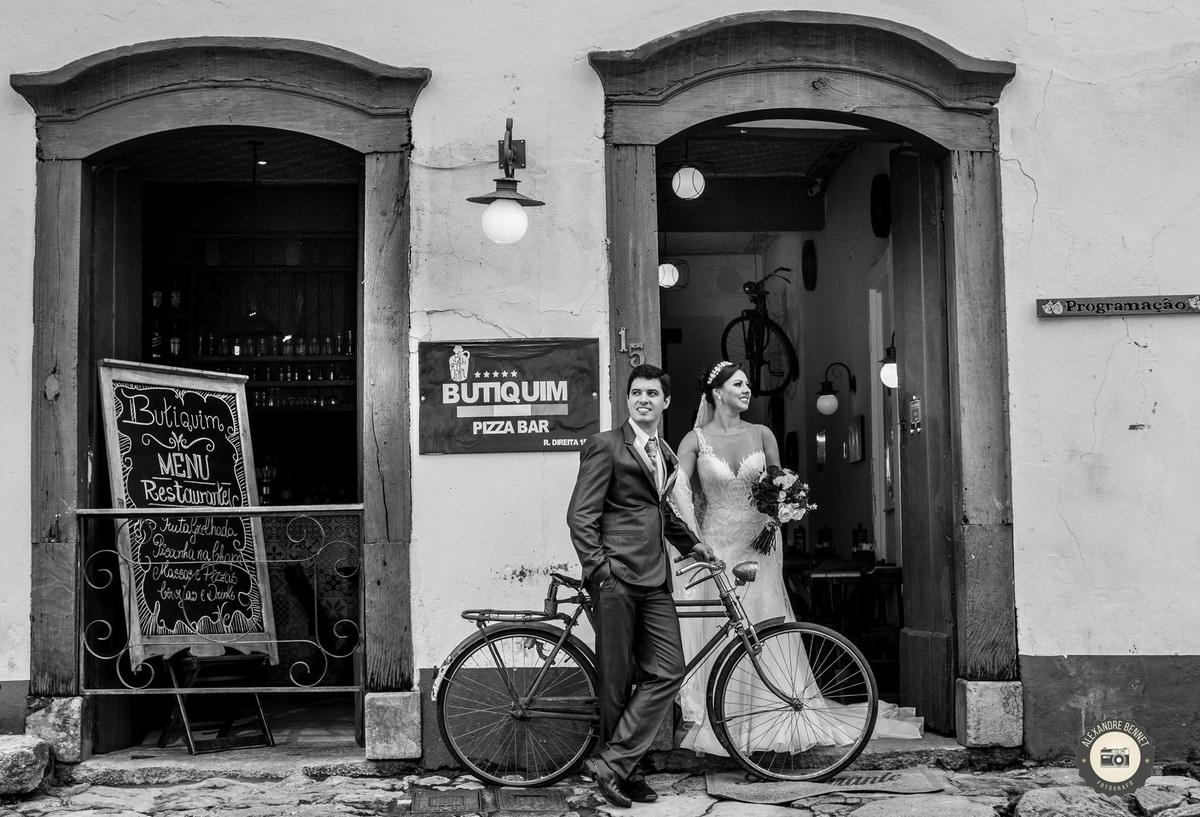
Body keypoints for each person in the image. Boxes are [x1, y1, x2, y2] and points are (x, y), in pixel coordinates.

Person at [669, 360, 921, 756]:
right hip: (716, 543)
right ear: (717, 393)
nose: (748, 389)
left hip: (760, 544)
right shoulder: (694, 440)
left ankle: (775, 711)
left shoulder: (763, 433)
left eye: (748, 384)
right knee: (724, 625)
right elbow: (679, 492)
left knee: (765, 622)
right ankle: (726, 717)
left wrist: (783, 511)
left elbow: (779, 483)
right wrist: (691, 538)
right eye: (739, 384)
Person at [567, 363, 716, 808]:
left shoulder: (664, 451)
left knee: (669, 669)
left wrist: (693, 547)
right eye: (636, 393)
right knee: (616, 681)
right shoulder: (606, 446)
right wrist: (601, 573)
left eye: (652, 393)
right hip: (616, 579)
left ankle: (613, 764)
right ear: (627, 400)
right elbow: (581, 516)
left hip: (654, 579)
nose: (644, 399)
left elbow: (660, 512)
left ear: (666, 403)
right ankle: (621, 772)